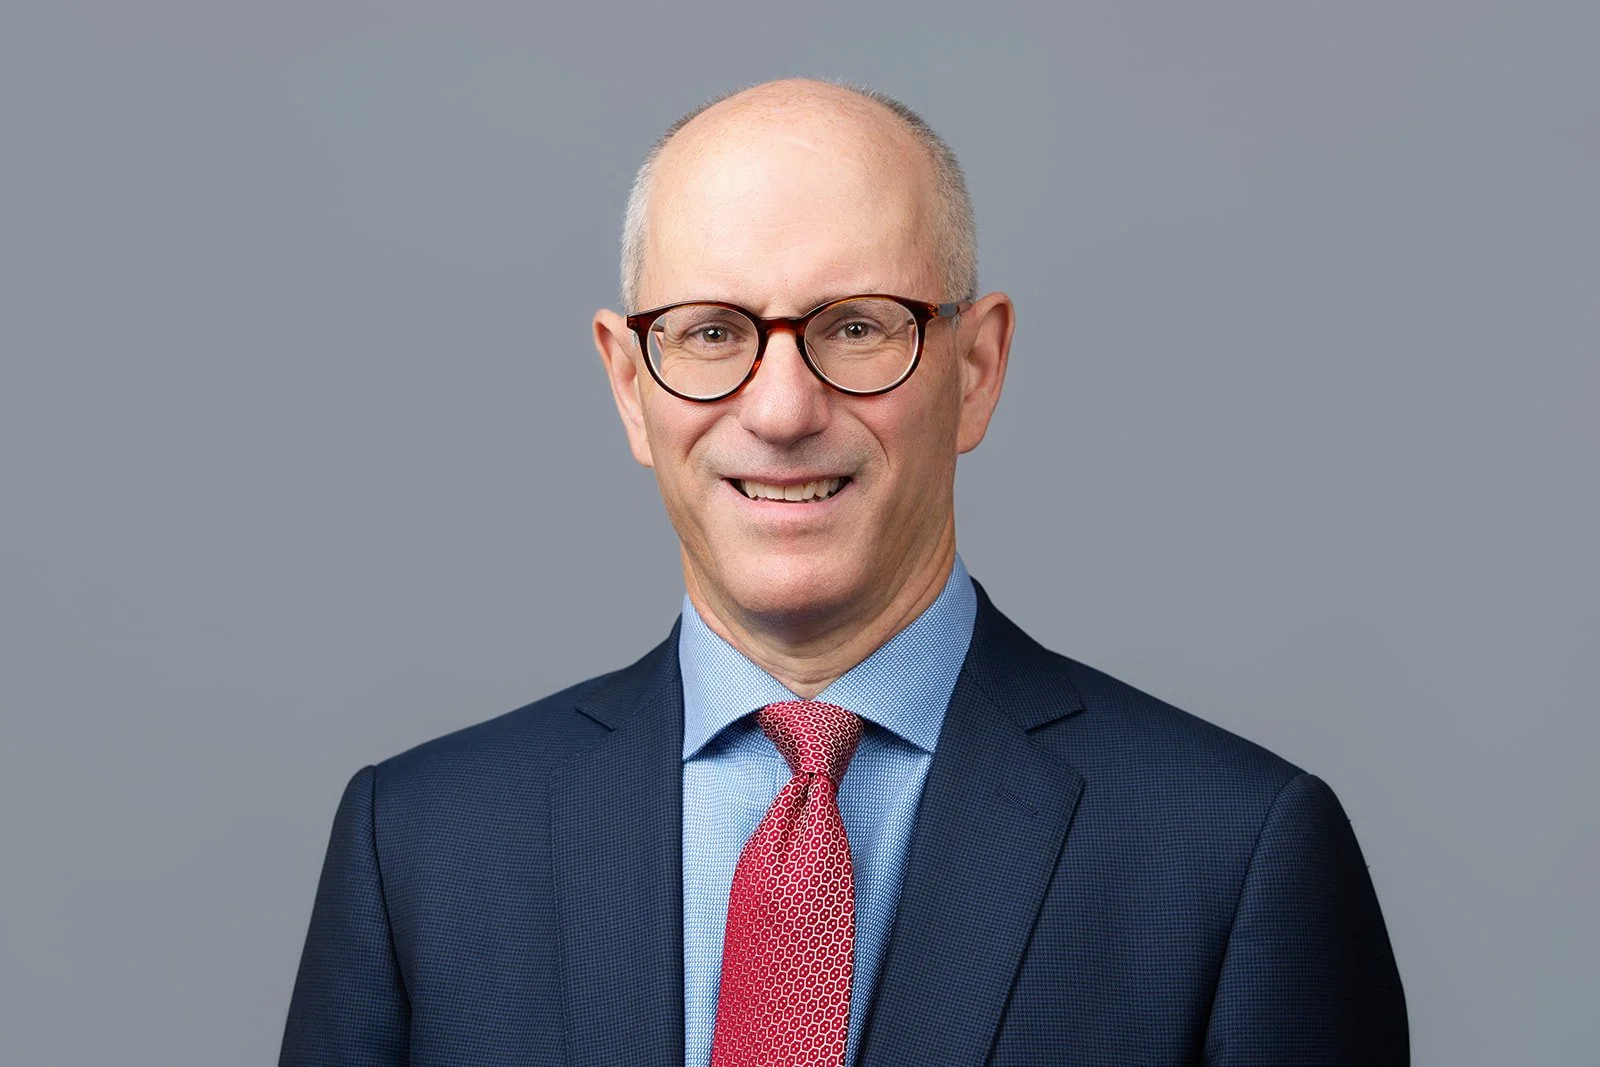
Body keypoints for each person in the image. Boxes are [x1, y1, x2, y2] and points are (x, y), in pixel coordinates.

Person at [279, 78, 1407, 1066]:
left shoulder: (1234, 856)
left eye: (859, 327)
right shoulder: (420, 847)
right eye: (711, 332)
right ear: (629, 382)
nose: (781, 410)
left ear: (978, 367)